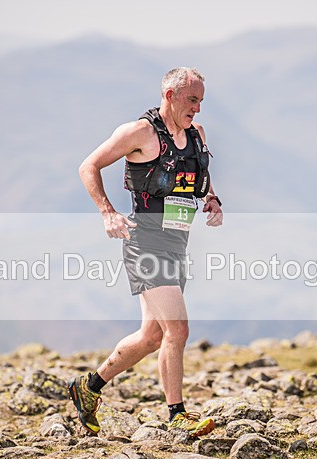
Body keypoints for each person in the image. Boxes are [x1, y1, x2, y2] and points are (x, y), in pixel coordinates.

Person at [69, 67, 223, 437]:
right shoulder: (139, 133)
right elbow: (88, 166)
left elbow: (199, 173)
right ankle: (177, 415)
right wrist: (107, 213)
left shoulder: (196, 135)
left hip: (177, 242)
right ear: (170, 95)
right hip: (145, 243)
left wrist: (212, 198)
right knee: (178, 329)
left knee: (152, 337)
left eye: (201, 101)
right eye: (192, 99)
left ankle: (88, 388)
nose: (198, 109)